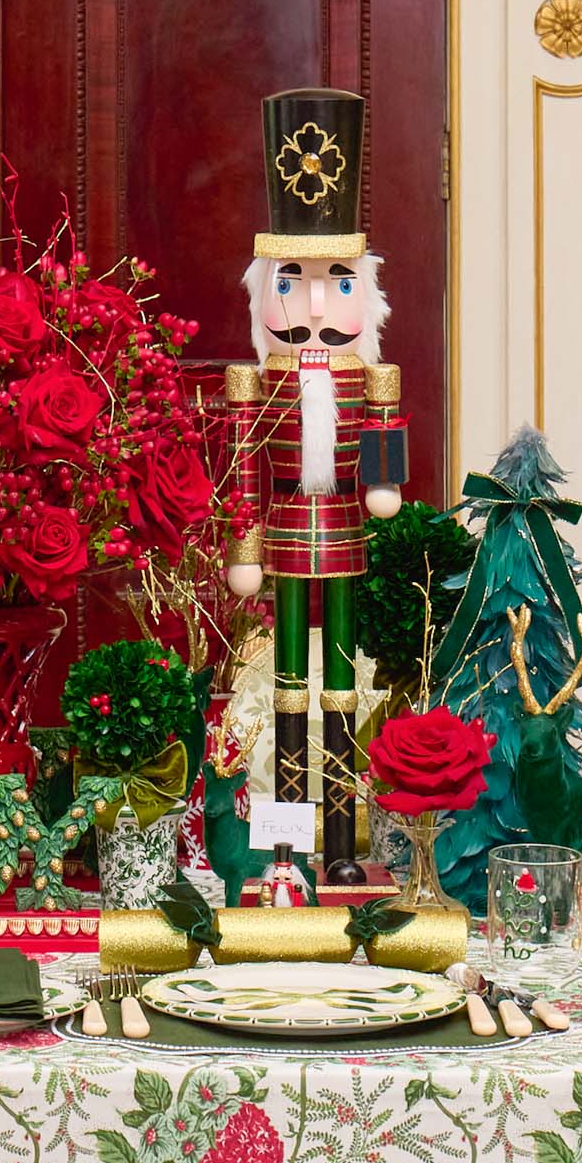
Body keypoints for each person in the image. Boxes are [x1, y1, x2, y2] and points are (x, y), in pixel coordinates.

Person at [224, 89, 406, 878]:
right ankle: (290, 846)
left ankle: (339, 847)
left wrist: (385, 484)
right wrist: (244, 548)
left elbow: (386, 448)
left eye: (339, 284)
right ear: (264, 289)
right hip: (287, 536)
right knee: (289, 689)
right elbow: (244, 470)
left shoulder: (370, 378)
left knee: (342, 692)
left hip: (346, 537)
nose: (317, 305)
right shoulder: (258, 381)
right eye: (293, 282)